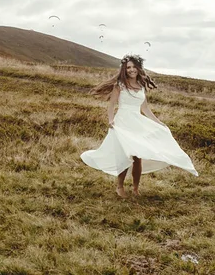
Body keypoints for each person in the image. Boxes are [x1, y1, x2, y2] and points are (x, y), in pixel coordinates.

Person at [81, 54, 198, 197]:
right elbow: (111, 105)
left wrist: (159, 123)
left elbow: (145, 109)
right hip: (122, 122)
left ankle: (136, 188)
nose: (131, 70)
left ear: (138, 68)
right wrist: (111, 120)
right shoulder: (120, 85)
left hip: (136, 123)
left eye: (133, 67)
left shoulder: (142, 86)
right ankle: (120, 187)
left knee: (138, 157)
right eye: (128, 67)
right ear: (125, 69)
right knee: (124, 155)